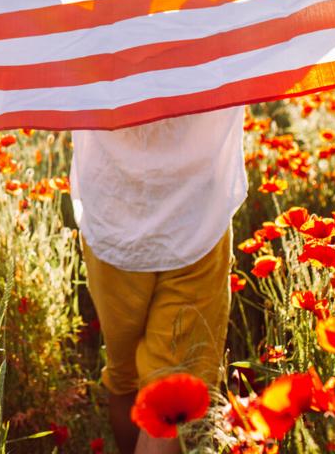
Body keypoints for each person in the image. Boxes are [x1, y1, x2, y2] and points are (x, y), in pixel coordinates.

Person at [71, 106, 246, 454]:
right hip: (195, 217)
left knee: (125, 378)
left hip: (111, 214)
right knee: (171, 396)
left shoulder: (86, 46)